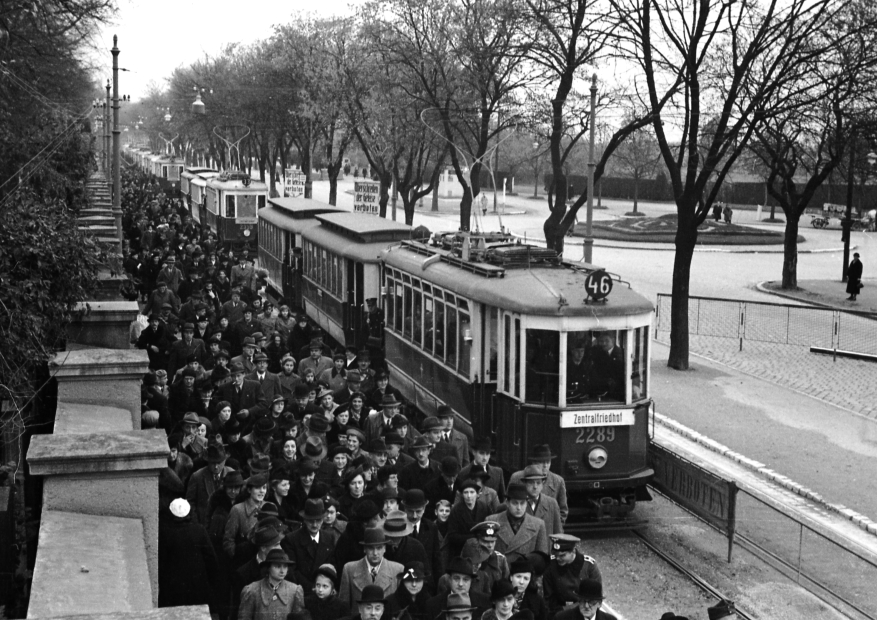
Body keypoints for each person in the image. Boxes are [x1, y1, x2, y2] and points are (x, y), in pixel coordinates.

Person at [158, 498, 218, 610]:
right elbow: (210, 559)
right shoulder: (199, 530)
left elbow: (161, 561)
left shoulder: (164, 532)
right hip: (197, 585)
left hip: (173, 587)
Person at [338, 527, 404, 612]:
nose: (375, 553)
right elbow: (344, 608)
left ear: (385, 549)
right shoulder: (349, 569)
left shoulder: (398, 570)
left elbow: (400, 608)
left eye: (379, 548)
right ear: (364, 549)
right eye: (371, 548)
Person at [284, 499, 339, 591]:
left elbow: (332, 565)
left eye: (318, 520)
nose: (314, 525)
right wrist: (312, 588)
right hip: (301, 591)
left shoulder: (329, 537)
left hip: (323, 591)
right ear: (304, 520)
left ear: (323, 520)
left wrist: (324, 587)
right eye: (311, 521)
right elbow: (292, 570)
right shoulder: (292, 539)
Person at [486, 484, 548, 562]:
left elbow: (541, 559)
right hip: (500, 571)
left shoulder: (538, 524)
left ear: (526, 503)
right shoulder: (492, 521)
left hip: (525, 572)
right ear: (507, 503)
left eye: (522, 503)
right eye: (515, 503)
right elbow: (485, 553)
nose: (519, 508)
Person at [237, 549, 305, 620]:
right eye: (278, 566)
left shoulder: (294, 590)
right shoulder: (252, 590)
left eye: (285, 566)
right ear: (268, 568)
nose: (282, 571)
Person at [542, 534, 601, 616]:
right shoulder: (551, 565)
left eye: (562, 555)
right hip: (557, 612)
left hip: (584, 611)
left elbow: (595, 595)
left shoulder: (589, 566)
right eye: (556, 555)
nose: (558, 559)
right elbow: (548, 597)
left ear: (573, 551)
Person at [186, 443, 235, 528]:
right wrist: (196, 524)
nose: (216, 467)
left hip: (226, 524)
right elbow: (190, 502)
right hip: (204, 524)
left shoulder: (232, 474)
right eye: (213, 463)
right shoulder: (197, 476)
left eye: (219, 463)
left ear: (224, 461)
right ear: (208, 461)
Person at [520, 465, 563, 539]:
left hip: (545, 548)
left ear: (543, 484)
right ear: (524, 483)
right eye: (531, 483)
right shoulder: (517, 503)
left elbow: (558, 532)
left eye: (538, 483)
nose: (535, 486)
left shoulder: (552, 503)